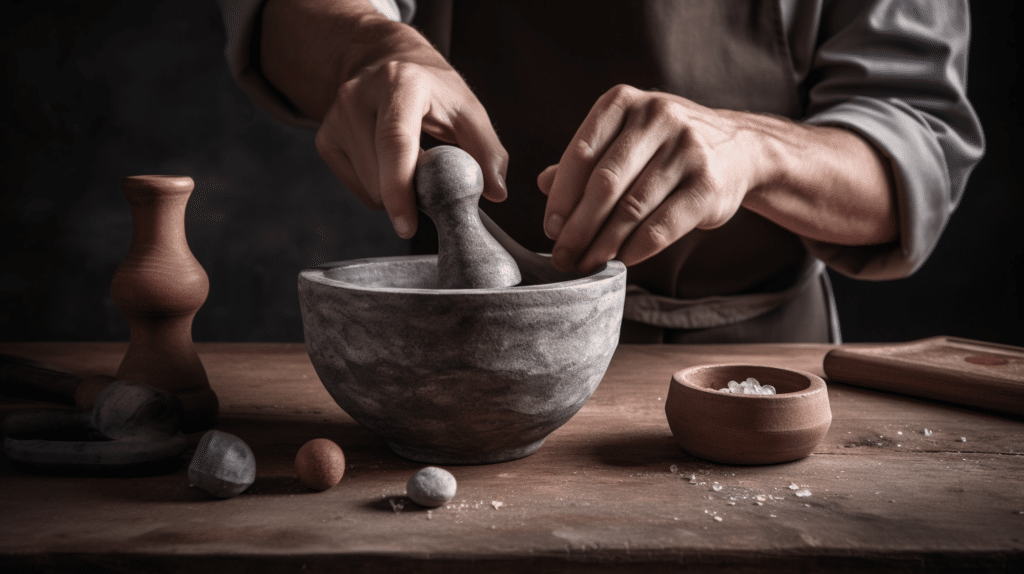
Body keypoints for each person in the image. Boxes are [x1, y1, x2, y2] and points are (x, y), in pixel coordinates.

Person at [217, 0, 984, 343]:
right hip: (468, 347)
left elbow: (913, 145)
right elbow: (286, 13)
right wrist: (364, 47)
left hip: (752, 358)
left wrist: (753, 149)